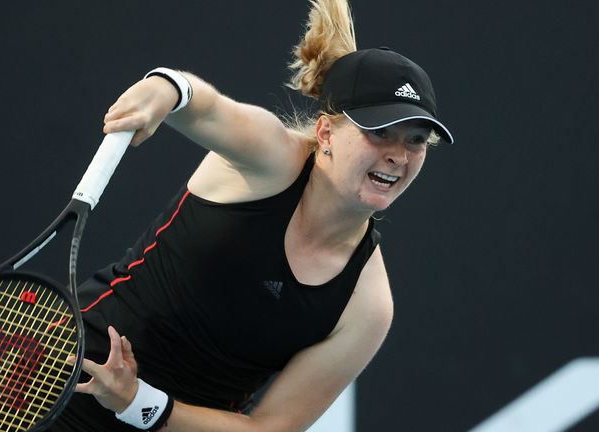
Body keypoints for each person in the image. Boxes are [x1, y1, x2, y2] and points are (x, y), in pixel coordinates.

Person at [53, 0, 453, 431]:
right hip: (64, 379)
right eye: (378, 132)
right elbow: (201, 106)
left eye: (416, 140)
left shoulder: (367, 306)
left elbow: (269, 429)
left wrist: (137, 402)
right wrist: (164, 88)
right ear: (325, 133)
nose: (397, 155)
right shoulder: (270, 158)